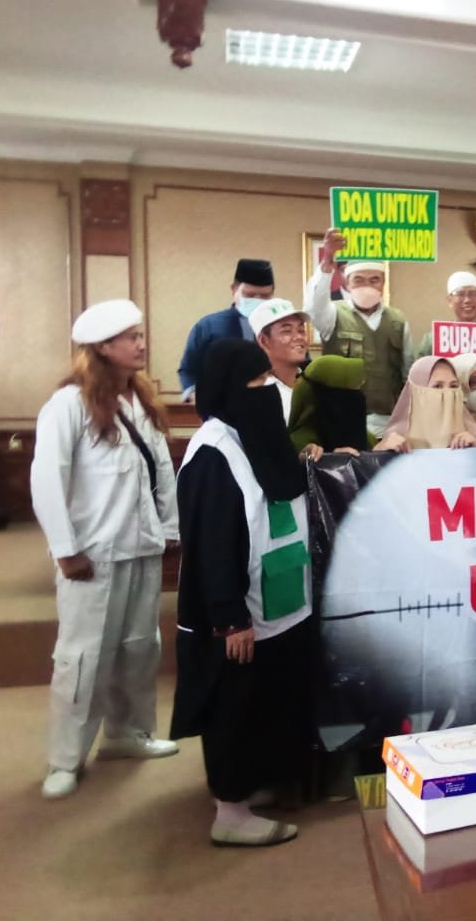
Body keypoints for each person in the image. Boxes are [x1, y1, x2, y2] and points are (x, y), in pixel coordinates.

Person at [31, 299, 179, 800]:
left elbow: (161, 472)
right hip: (92, 556)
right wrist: (65, 549)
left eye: (140, 334)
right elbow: (47, 481)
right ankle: (65, 758)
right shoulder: (68, 405)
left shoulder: (139, 400)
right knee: (82, 658)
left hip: (142, 547)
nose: (141, 344)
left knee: (139, 648)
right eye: (130, 337)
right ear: (102, 347)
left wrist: (170, 530)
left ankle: (126, 734)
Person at [171, 339, 317, 847]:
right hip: (239, 612)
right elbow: (211, 542)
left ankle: (252, 784)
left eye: (267, 380)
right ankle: (229, 813)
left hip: (285, 600)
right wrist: (230, 617)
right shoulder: (213, 452)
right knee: (234, 704)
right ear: (228, 389)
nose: (266, 390)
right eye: (255, 383)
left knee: (268, 699)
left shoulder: (257, 432)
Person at [305, 228, 412, 438]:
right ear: (347, 282)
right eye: (359, 279)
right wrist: (328, 260)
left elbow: (408, 374)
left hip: (389, 422)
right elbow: (314, 306)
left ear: (383, 282)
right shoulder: (332, 314)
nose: (367, 285)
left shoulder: (398, 320)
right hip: (341, 418)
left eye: (374, 280)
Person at [178, 258, 275, 399]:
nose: (257, 300)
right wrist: (194, 396)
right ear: (233, 289)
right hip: (219, 405)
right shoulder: (209, 326)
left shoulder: (282, 328)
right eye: (249, 295)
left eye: (265, 296)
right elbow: (188, 369)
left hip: (271, 403)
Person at [374, 356, 476, 452]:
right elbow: (376, 468)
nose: (448, 394)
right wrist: (381, 451)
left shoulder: (470, 432)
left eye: (453, 386)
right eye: (437, 386)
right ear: (417, 393)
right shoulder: (397, 437)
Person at [288, 355, 373, 454]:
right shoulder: (300, 446)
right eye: (350, 390)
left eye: (359, 388)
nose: (359, 398)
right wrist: (330, 459)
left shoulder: (368, 438)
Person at [248, 298, 310, 423]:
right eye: (287, 331)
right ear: (264, 341)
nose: (298, 337)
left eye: (301, 330)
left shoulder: (313, 382)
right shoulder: (255, 393)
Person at [416, 272, 476, 358]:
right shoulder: (434, 340)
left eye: (473, 294)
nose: (467, 300)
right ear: (450, 301)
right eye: (460, 294)